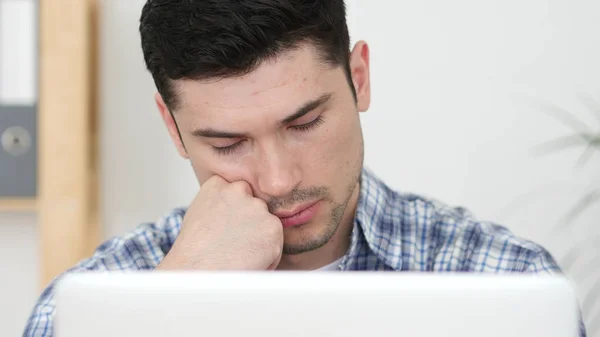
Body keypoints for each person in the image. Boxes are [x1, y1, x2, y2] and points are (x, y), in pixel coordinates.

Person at [23, 0, 586, 336]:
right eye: (228, 143)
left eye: (305, 123)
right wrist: (180, 292)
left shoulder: (501, 281)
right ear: (173, 129)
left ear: (358, 79)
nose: (278, 181)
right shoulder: (85, 309)